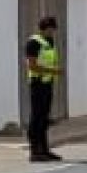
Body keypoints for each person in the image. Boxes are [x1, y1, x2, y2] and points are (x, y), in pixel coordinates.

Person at [25, 12, 62, 161]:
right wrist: (54, 71)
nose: (53, 32)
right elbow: (32, 66)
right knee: (36, 118)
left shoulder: (49, 41)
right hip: (37, 83)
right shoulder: (33, 43)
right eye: (51, 29)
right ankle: (35, 151)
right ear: (45, 28)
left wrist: (52, 73)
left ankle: (45, 149)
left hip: (47, 83)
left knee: (44, 118)